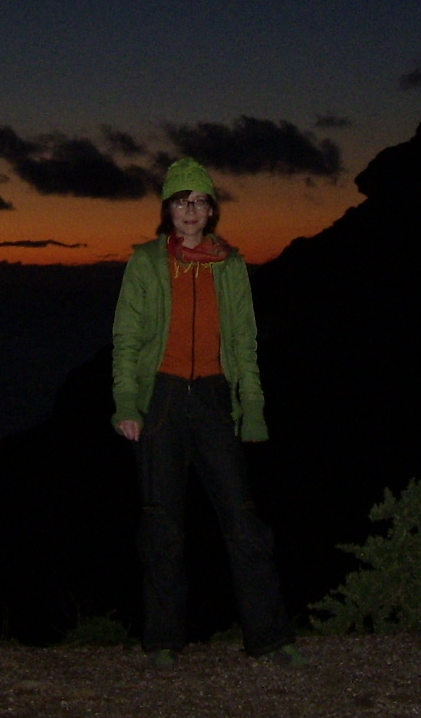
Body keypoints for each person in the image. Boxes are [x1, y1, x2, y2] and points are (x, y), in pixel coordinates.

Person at [111, 157, 305, 667]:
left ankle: (270, 637)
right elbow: (127, 339)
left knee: (243, 521)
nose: (190, 210)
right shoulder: (146, 262)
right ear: (168, 209)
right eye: (181, 200)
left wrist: (253, 405)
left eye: (199, 200)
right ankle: (162, 642)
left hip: (216, 399)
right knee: (161, 525)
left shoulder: (231, 265)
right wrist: (127, 403)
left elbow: (244, 342)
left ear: (212, 209)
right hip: (162, 399)